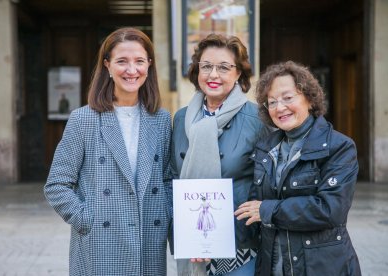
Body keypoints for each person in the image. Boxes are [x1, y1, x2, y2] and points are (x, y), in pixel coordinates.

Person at [44, 27, 172, 276]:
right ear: (107, 66)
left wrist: (164, 214)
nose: (132, 70)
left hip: (148, 238)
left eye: (139, 61)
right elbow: (56, 184)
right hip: (100, 241)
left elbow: (167, 179)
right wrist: (86, 220)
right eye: (122, 61)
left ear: (149, 65)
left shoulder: (161, 120)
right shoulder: (84, 119)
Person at [235, 61, 361, 275]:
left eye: (287, 98)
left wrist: (267, 210)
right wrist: (211, 243)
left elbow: (330, 210)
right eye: (271, 102)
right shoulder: (266, 147)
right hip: (273, 266)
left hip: (321, 267)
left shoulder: (339, 147)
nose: (279, 107)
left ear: (309, 98)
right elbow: (252, 211)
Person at [171, 33, 268, 276]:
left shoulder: (257, 119)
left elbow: (269, 182)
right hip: (192, 242)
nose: (213, 75)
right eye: (206, 66)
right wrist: (186, 232)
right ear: (197, 71)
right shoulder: (182, 118)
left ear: (238, 74)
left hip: (240, 246)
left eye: (224, 67)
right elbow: (173, 175)